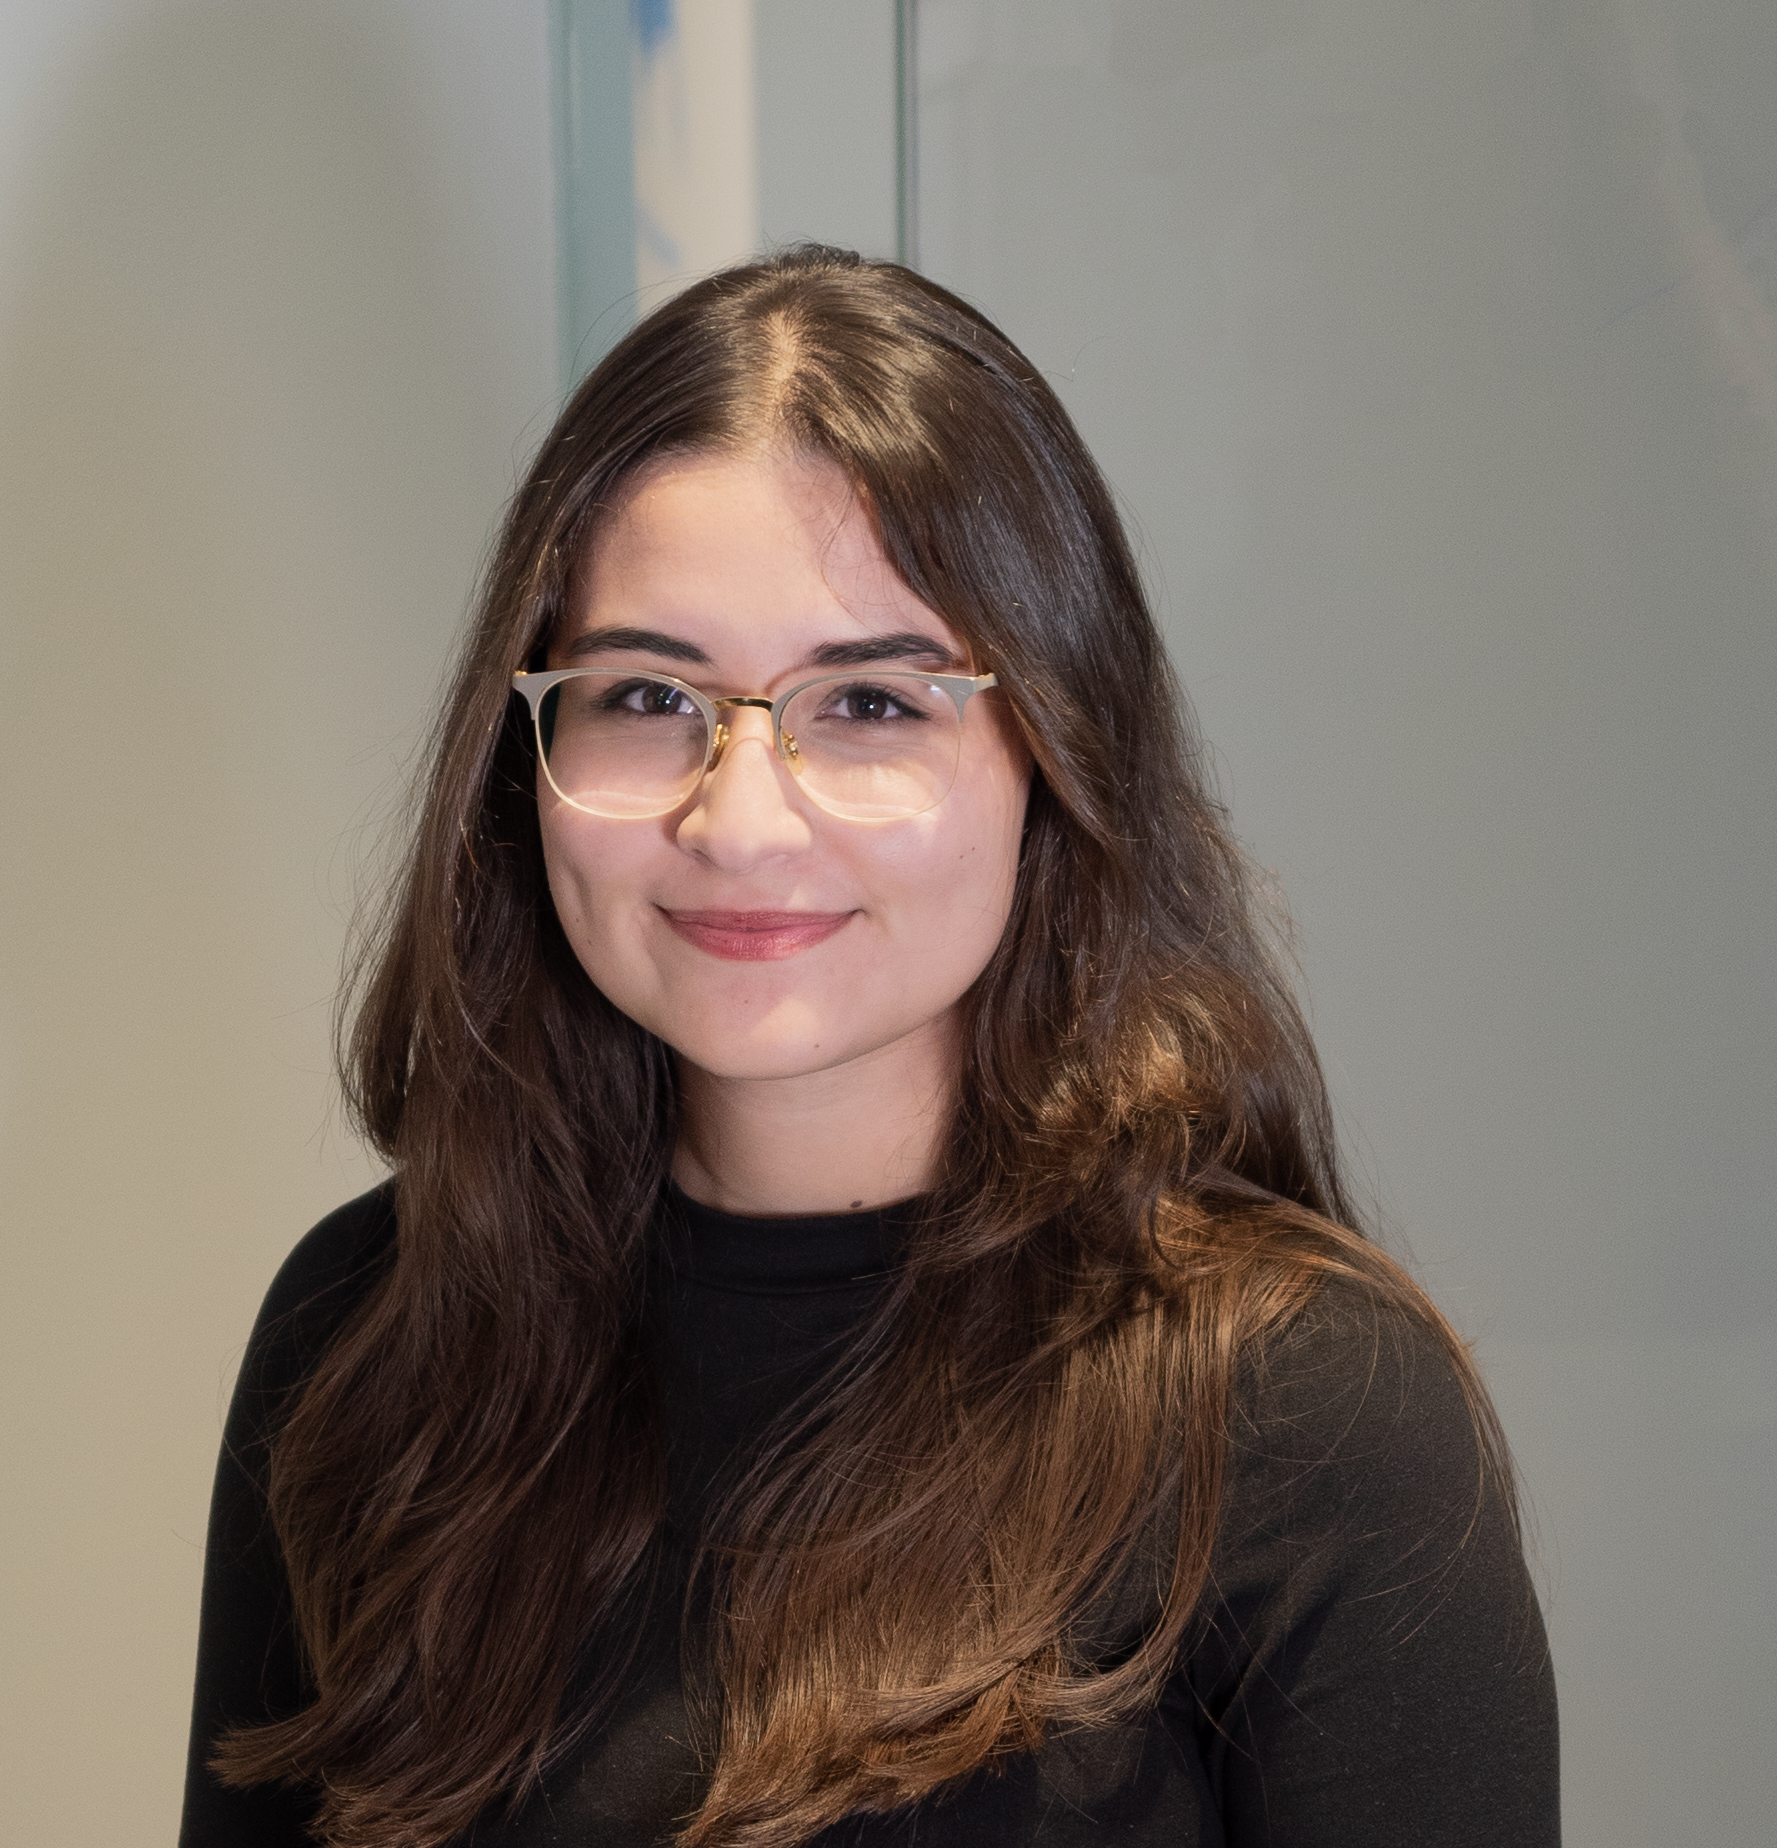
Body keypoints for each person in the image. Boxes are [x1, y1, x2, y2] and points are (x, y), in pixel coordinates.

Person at [179, 246, 1558, 1848]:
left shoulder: (1314, 1428)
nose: (741, 819)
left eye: (873, 707)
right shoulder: (370, 1336)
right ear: (523, 760)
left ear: (1052, 752)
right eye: (645, 694)